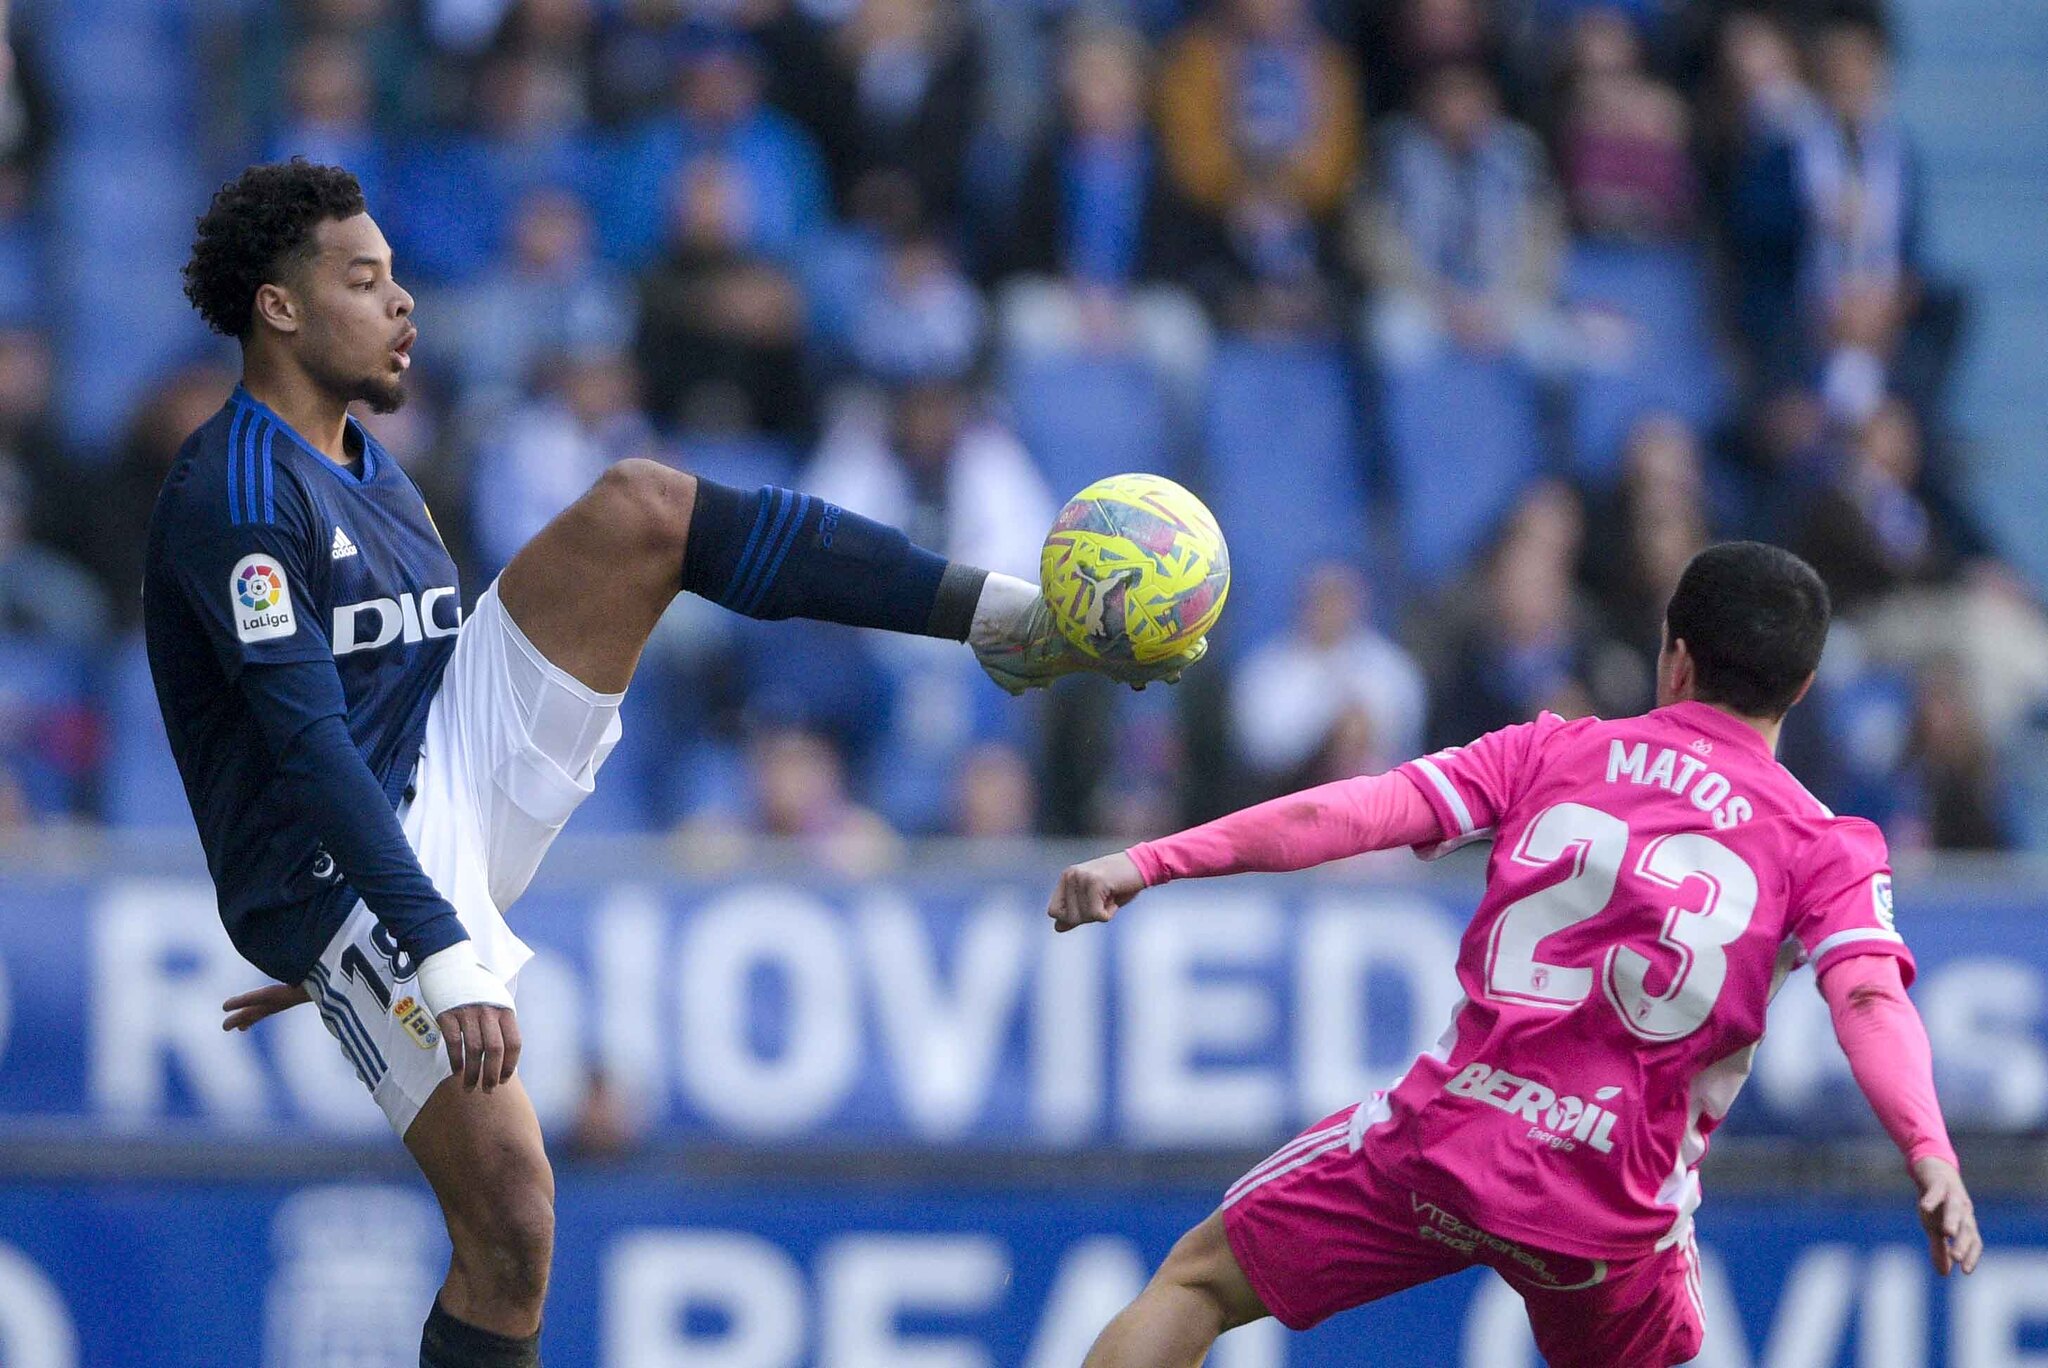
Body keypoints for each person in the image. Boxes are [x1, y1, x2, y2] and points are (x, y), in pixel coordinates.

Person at [156, 159, 1202, 1368]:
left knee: (644, 507)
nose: (404, 306)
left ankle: (1007, 625)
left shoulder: (369, 469)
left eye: (398, 278)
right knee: (512, 1224)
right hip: (339, 853)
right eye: (365, 280)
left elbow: (387, 700)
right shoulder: (234, 494)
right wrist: (405, 947)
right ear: (278, 309)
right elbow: (303, 745)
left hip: (432, 774)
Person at [1048, 541, 1980, 1367]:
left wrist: (1151, 860)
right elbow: (1866, 1000)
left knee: (1196, 1287)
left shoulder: (1552, 753)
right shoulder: (1826, 843)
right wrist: (1927, 1150)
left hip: (1450, 1141)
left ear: (1677, 654)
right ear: (1805, 685)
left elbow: (1347, 814)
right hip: (1610, 1212)